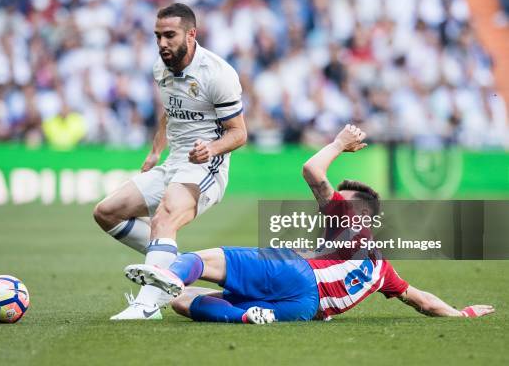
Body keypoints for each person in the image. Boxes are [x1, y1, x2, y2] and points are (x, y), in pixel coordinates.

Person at [123, 125, 495, 323]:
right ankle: (245, 316)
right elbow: (423, 302)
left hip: (298, 275)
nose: (330, 205)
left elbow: (312, 170)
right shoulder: (383, 269)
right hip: (304, 308)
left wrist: (338, 142)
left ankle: (169, 276)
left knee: (198, 261)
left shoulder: (349, 218)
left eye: (340, 200)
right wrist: (461, 314)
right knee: (183, 303)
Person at [93, 3, 247, 320]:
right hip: (173, 164)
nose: (162, 43)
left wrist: (212, 149)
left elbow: (239, 133)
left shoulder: (218, 74)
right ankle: (172, 265)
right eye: (158, 36)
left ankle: (147, 306)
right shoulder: (160, 69)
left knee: (164, 218)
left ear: (191, 34)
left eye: (170, 35)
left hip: (205, 168)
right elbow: (169, 111)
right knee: (106, 212)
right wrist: (154, 151)